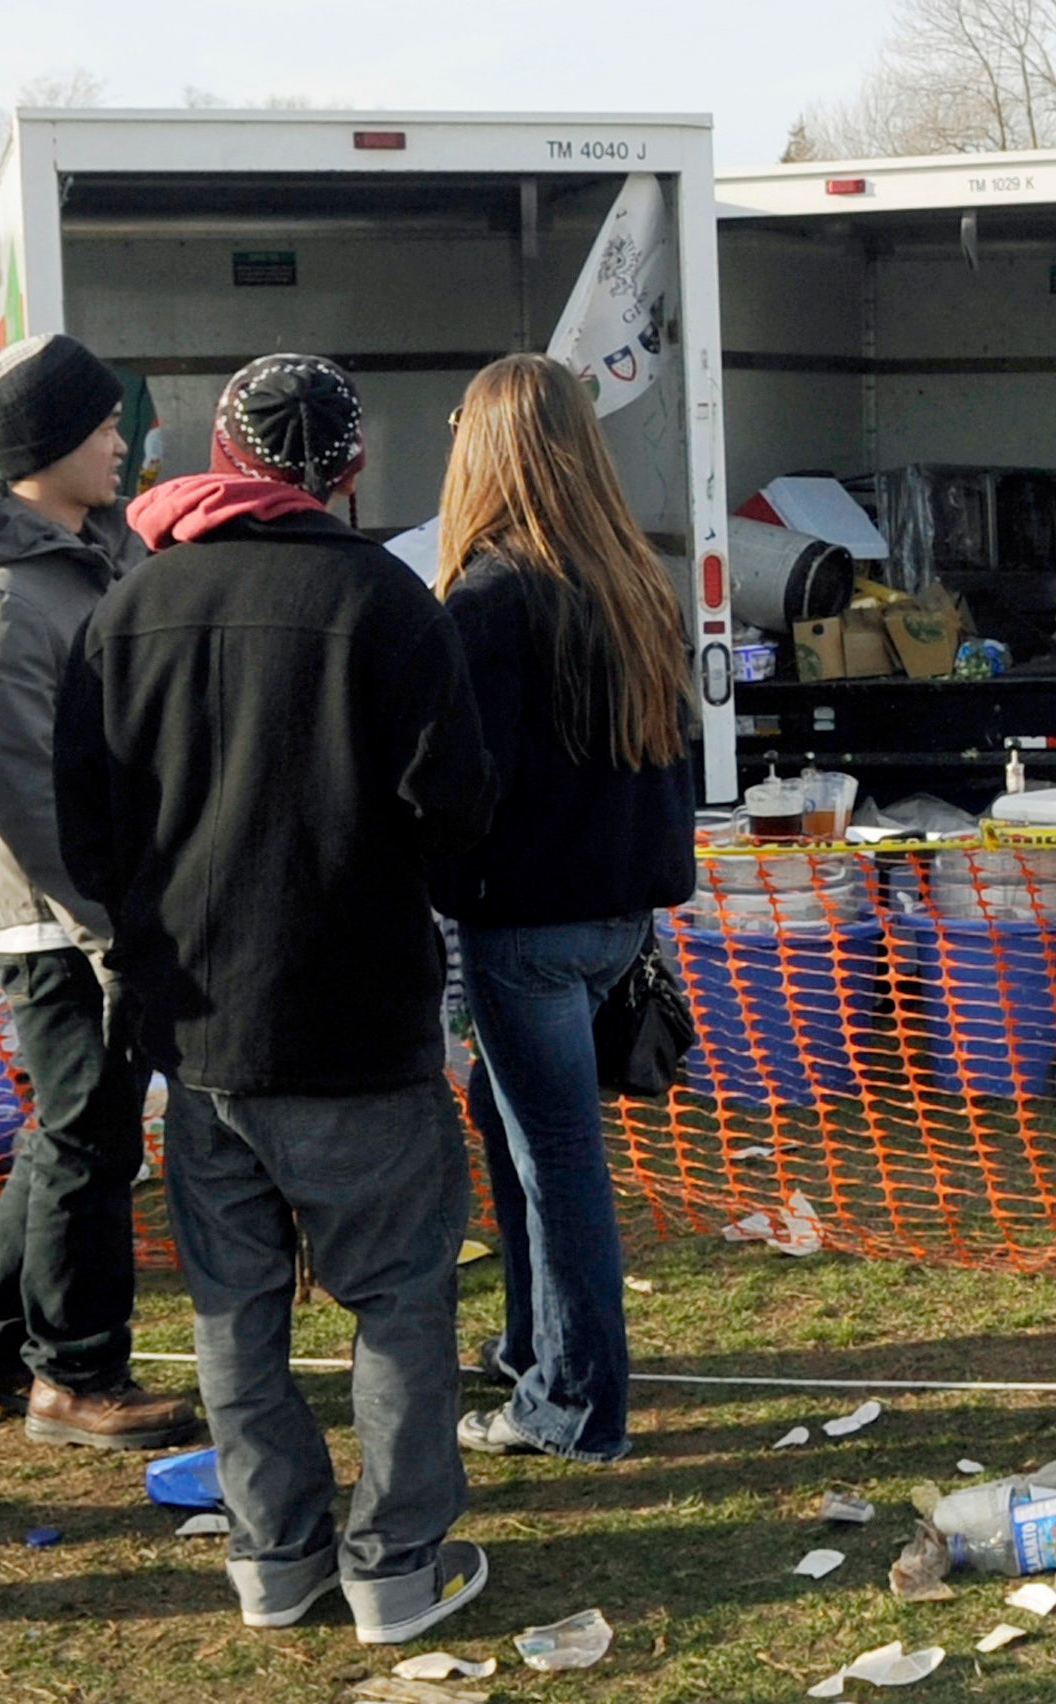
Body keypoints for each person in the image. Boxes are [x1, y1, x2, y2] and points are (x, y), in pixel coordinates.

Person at [55, 353, 495, 1642]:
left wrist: (151, 927)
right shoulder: (389, 602)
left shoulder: (128, 608)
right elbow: (455, 819)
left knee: (235, 1307)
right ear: (349, 470)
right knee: (398, 1300)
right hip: (354, 1017)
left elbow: (86, 832)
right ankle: (392, 1567)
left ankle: (275, 1557)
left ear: (218, 452)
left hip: (199, 1027)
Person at [0, 334, 197, 1451]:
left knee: (68, 1130)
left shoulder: (101, 550)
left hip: (97, 903)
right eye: (101, 427)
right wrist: (104, 926)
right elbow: (24, 790)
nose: (121, 442)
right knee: (91, 1138)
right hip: (52, 919)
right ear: (45, 447)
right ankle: (75, 1377)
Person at [429, 355, 696, 1464]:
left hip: (529, 928)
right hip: (615, 918)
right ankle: (535, 1347)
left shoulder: (487, 602)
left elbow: (457, 786)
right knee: (519, 1131)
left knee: (555, 1160)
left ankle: (576, 1402)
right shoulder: (633, 584)